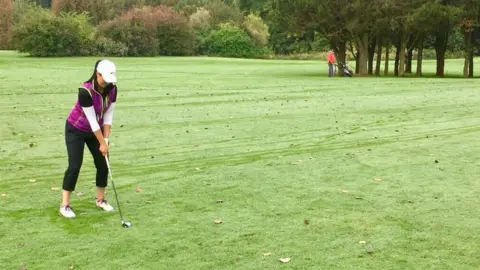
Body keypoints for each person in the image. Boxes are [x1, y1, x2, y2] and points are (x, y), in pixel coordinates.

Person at [60, 59, 118, 218]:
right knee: (74, 166)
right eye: (105, 79)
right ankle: (65, 205)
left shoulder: (113, 89)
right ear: (97, 74)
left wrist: (105, 141)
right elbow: (92, 121)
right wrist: (102, 142)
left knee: (103, 163)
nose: (107, 83)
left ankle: (100, 200)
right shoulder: (85, 91)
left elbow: (108, 116)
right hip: (76, 130)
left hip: (96, 132)